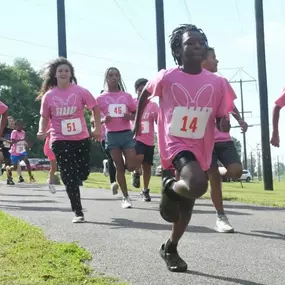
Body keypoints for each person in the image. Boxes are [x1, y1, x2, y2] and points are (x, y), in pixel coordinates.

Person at [134, 24, 231, 272]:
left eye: (201, 42)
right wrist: (136, 126)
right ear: (178, 49)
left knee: (187, 204)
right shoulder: (167, 76)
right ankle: (168, 187)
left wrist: (223, 121)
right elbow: (145, 93)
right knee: (198, 184)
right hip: (175, 142)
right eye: (190, 42)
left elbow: (221, 115)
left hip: (202, 145)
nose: (197, 46)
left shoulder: (218, 82)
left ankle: (171, 247)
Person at [37, 57, 101, 223]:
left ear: (71, 73)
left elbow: (95, 108)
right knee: (68, 174)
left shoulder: (80, 91)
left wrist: (97, 128)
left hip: (81, 138)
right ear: (55, 75)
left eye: (66, 70)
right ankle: (78, 211)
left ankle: (79, 176)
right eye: (60, 71)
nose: (63, 73)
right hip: (59, 139)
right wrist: (41, 130)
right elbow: (44, 117)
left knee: (83, 172)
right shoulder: (49, 96)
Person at [203, 47, 247, 233]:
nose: (217, 60)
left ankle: (215, 171)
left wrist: (239, 119)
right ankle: (221, 216)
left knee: (236, 171)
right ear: (203, 60)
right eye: (214, 57)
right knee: (214, 179)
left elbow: (231, 104)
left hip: (224, 138)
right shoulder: (194, 82)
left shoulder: (221, 81)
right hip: (205, 139)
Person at [97, 67, 137, 209]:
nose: (114, 77)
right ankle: (126, 197)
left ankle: (115, 163)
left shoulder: (126, 96)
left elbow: (136, 113)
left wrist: (130, 117)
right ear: (106, 78)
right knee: (120, 167)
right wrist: (103, 120)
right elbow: (93, 119)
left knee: (132, 166)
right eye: (111, 75)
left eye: (116, 75)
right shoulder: (100, 99)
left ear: (119, 78)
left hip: (126, 133)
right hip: (112, 135)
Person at [132, 78, 159, 202]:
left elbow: (159, 120)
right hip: (136, 137)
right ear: (136, 91)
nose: (141, 92)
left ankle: (145, 190)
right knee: (139, 157)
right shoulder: (132, 103)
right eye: (139, 90)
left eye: (144, 89)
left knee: (147, 166)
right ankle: (136, 172)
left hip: (149, 140)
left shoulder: (153, 105)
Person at [7, 119, 35, 184]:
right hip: (15, 152)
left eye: (21, 125)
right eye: (18, 125)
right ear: (15, 126)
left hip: (22, 151)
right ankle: (8, 169)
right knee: (15, 167)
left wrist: (27, 144)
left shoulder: (23, 132)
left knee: (27, 161)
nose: (20, 126)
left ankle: (30, 176)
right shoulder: (14, 132)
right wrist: (21, 139)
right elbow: (13, 141)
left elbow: (24, 140)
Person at [1, 116, 25, 184]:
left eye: (12, 121)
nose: (11, 123)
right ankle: (9, 179)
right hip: (5, 148)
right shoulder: (4, 129)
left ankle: (19, 177)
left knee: (16, 163)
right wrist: (7, 141)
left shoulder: (16, 130)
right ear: (7, 123)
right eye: (10, 121)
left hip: (14, 149)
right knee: (7, 163)